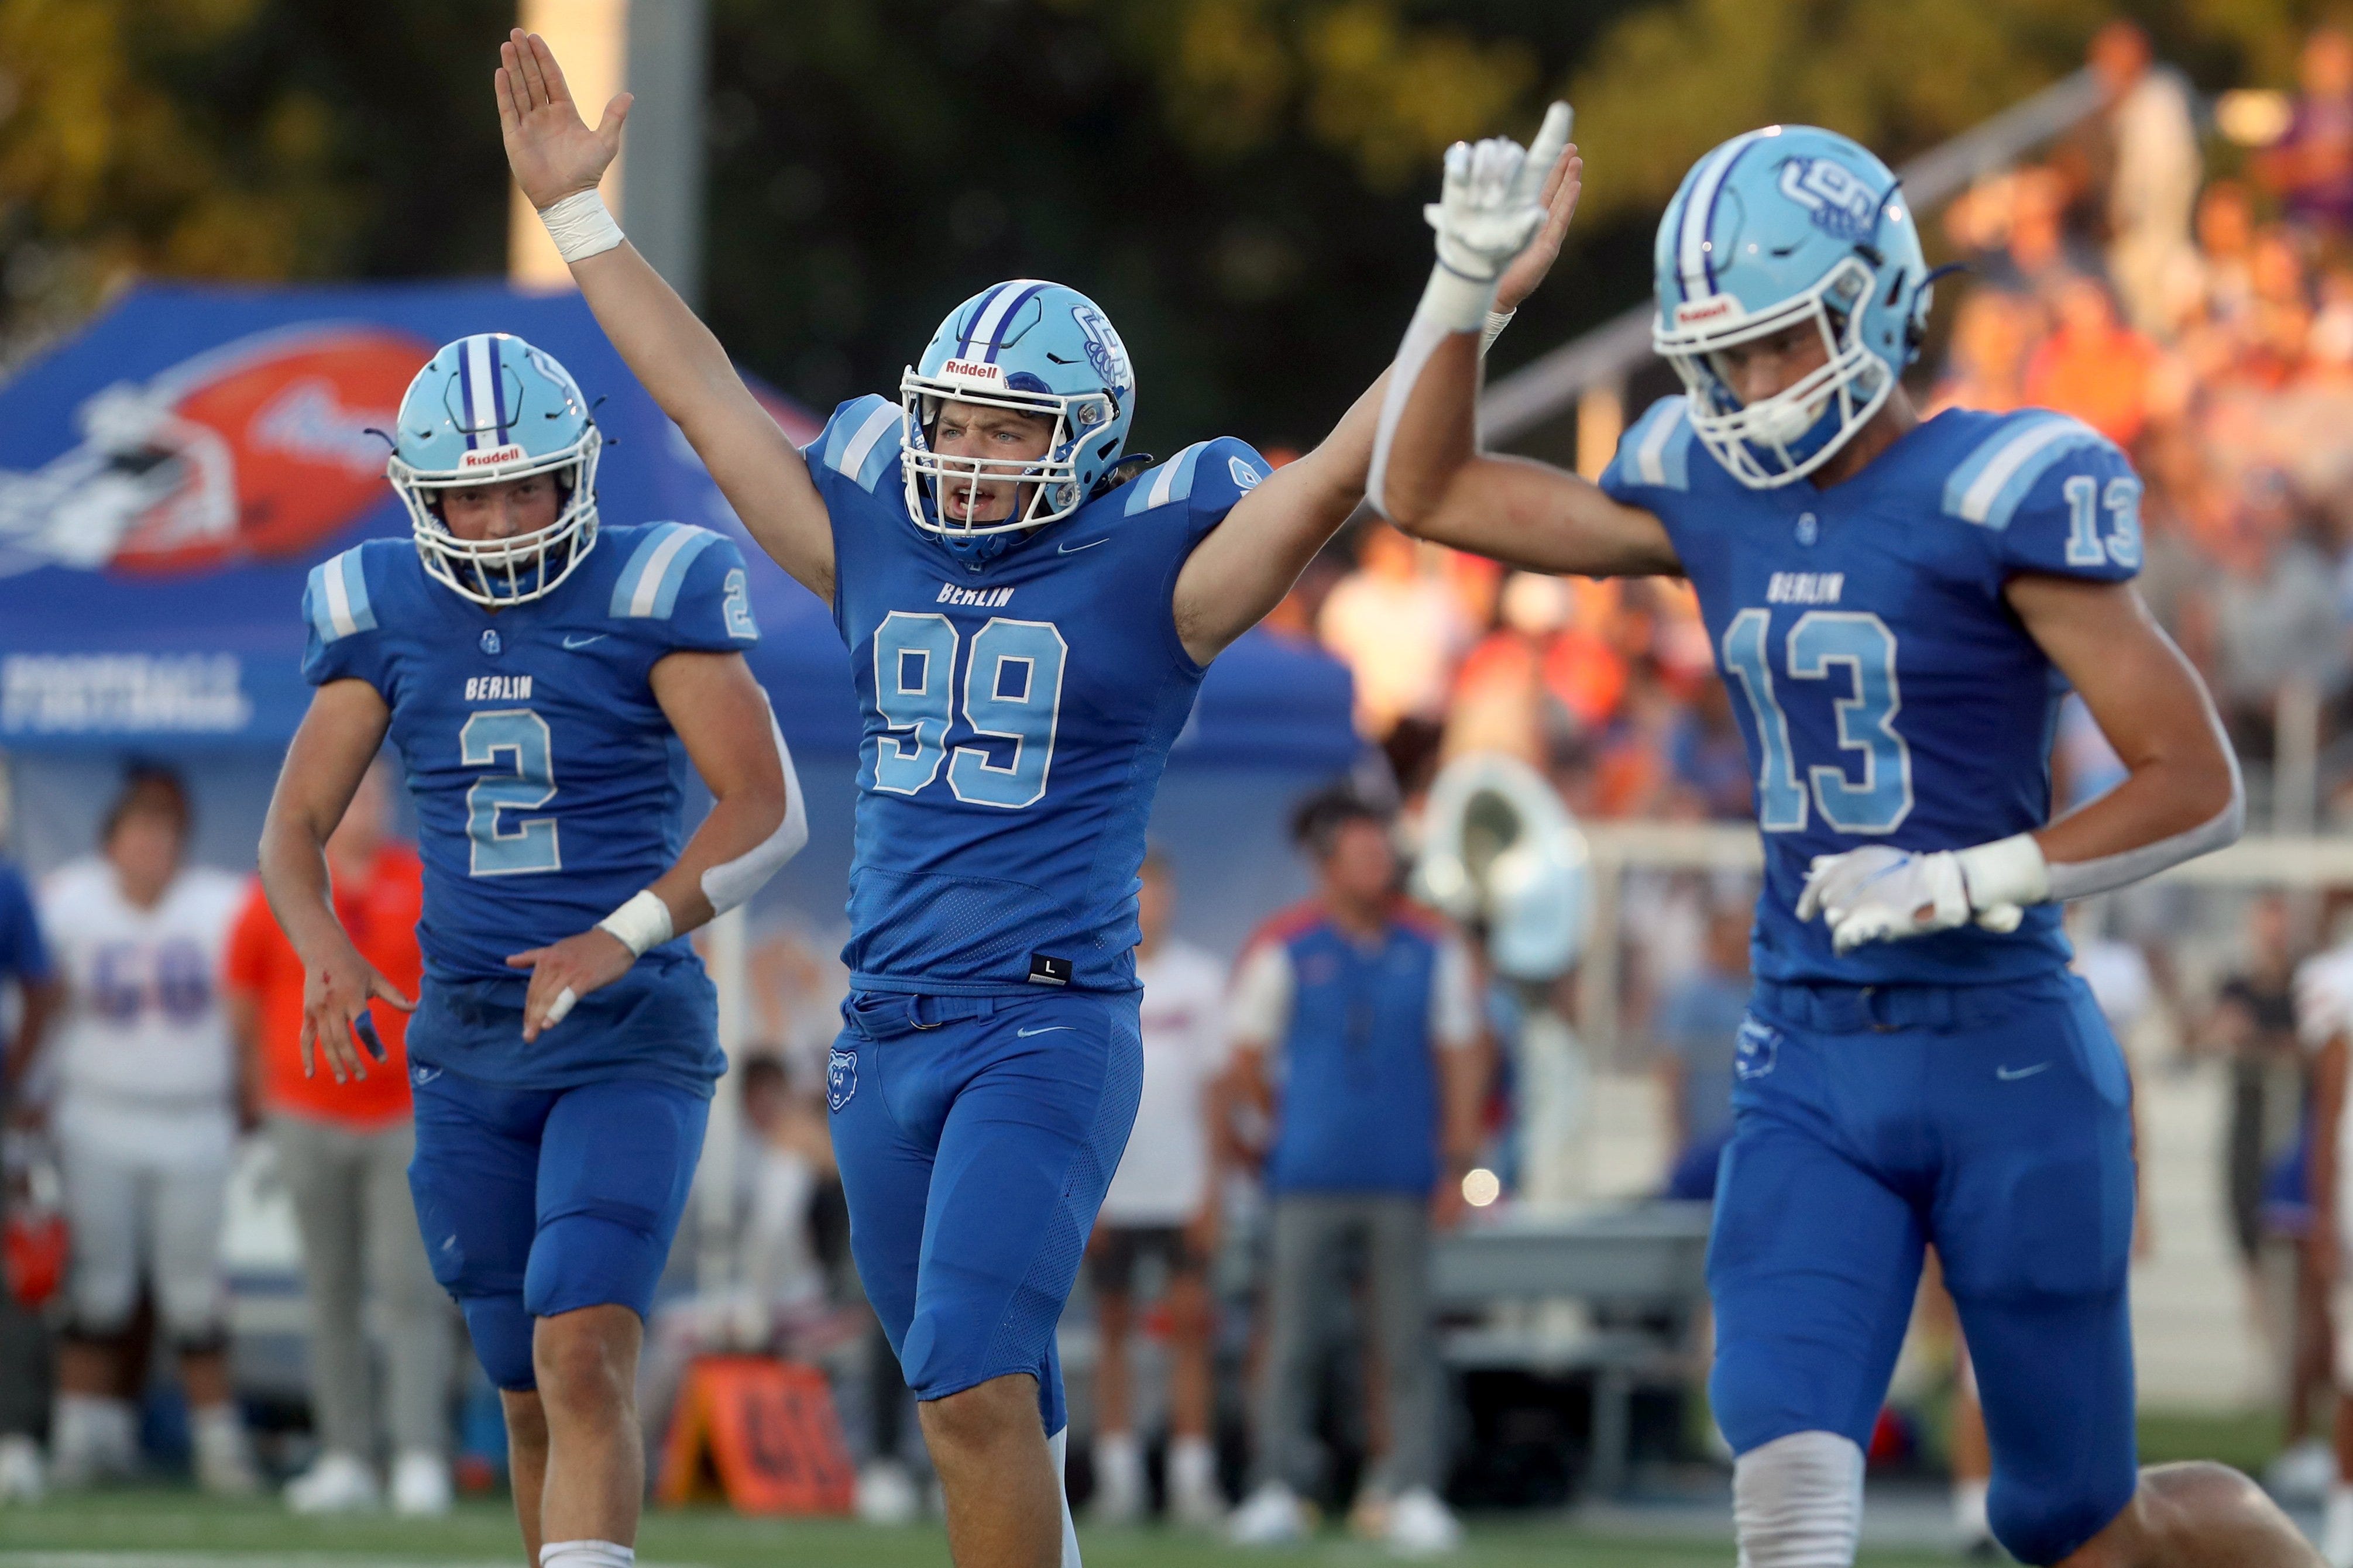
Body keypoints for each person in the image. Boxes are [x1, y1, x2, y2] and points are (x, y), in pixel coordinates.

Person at [490, 28, 1576, 1568]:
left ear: (1081, 444)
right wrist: (581, 224)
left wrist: (1463, 299)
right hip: (885, 1033)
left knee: (968, 1383)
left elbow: (1336, 471)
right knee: (990, 1399)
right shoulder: (874, 535)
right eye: (950, 418)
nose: (965, 454)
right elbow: (708, 404)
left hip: (1042, 1023)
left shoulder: (1158, 575)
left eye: (1006, 428)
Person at [1374, 121, 2318, 1566]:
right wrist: (1464, 293)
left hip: (2001, 1043)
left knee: (2074, 1518)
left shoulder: (1994, 487)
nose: (1752, 388)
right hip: (1805, 1045)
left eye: (1782, 341)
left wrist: (1967, 873)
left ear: (1878, 299)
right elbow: (1425, 490)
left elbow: (2195, 779)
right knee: (1787, 1469)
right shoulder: (1704, 480)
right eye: (1727, 355)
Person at [255, 332, 806, 1568]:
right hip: (466, 1037)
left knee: (580, 1346)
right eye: (472, 492)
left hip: (625, 1031)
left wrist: (622, 934)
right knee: (520, 1381)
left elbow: (759, 802)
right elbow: (293, 825)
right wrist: (325, 946)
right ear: (423, 495)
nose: (501, 516)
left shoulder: (652, 587)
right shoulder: (381, 605)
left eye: (525, 486)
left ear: (577, 477)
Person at [1224, 790, 1483, 1556]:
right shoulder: (1286, 947)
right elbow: (1244, 1055)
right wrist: (1284, 1127)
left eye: (1385, 853)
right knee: (1293, 1335)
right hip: (1307, 1172)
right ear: (1327, 865)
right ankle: (1277, 1483)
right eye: (1365, 854)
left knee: (1404, 1339)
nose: (1381, 867)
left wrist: (1456, 1159)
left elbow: (1461, 1052)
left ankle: (1409, 1485)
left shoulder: (1432, 948)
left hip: (1400, 1171)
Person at [224, 760, 456, 1515]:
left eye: (376, 792)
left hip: (401, 1113)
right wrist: (259, 1093)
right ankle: (346, 1453)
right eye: (351, 792)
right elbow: (244, 988)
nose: (365, 807)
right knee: (329, 1290)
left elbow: (451, 986)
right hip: (308, 1107)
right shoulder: (287, 882)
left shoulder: (419, 879)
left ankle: (419, 1452)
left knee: (410, 1288)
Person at [33, 766, 257, 1494]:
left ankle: (219, 1448)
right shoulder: (71, 900)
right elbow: (41, 998)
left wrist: (253, 1090)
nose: (151, 848)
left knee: (195, 1293)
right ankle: (81, 1438)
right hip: (98, 1114)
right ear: (110, 843)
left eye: (164, 835)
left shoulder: (220, 904)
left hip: (195, 1119)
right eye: (138, 834)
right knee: (99, 1287)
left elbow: (252, 997)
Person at [1085, 849, 1229, 1529]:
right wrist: (1085, 1194)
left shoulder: (1202, 981)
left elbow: (1217, 1094)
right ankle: (1119, 1479)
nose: (1150, 904)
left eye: (1159, 890)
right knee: (1112, 1332)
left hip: (1181, 1188)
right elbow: (1079, 1097)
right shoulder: (1088, 978)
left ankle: (1190, 1478)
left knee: (1189, 1329)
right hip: (1112, 1191)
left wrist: (1212, 1192)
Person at [0, 830, 57, 1501]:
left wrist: (14, 1079)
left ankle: (13, 1434)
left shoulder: (7, 883)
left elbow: (40, 986)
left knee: (10, 1280)